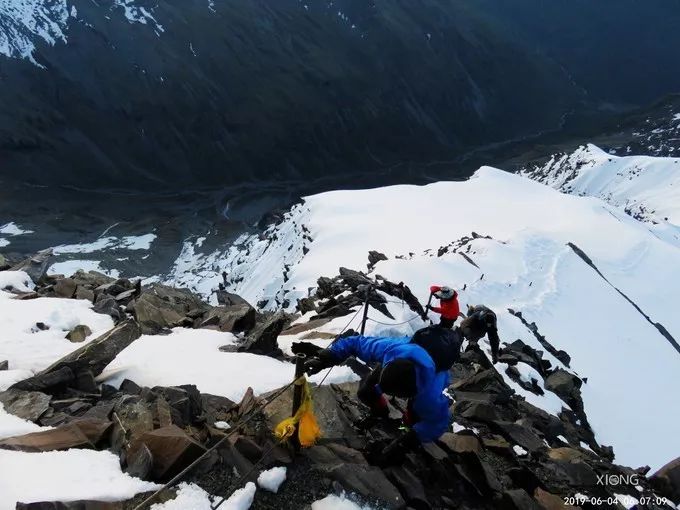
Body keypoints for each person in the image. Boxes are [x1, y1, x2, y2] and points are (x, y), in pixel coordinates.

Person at [304, 333, 452, 464]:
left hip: (431, 374)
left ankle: (406, 428)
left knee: (413, 418)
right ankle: (380, 413)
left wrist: (403, 444)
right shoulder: (392, 349)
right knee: (366, 391)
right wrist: (330, 356)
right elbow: (357, 343)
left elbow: (437, 423)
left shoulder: (429, 395)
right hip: (402, 360)